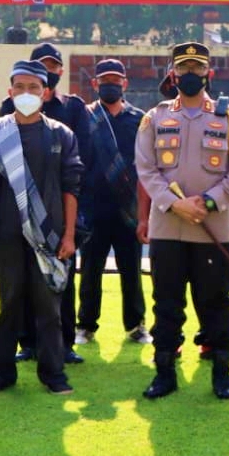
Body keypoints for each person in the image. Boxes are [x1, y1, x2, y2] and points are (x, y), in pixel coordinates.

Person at [135, 41, 229, 400]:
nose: (190, 75)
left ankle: (222, 373)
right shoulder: (154, 117)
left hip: (211, 227)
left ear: (209, 74)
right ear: (173, 74)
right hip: (168, 228)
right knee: (166, 303)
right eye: (183, 69)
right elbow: (146, 168)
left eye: (197, 69)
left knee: (216, 302)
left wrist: (208, 200)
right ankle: (165, 372)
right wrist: (174, 204)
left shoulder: (228, 116)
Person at [0, 59, 83, 395]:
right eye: (19, 87)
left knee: (49, 307)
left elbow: (72, 187)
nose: (26, 93)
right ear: (9, 91)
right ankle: (1, 375)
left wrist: (68, 235)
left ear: (46, 93)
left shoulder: (61, 135)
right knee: (9, 305)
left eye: (33, 88)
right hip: (6, 235)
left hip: (49, 235)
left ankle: (54, 375)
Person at [3, 42, 91, 364]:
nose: (49, 71)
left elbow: (84, 159)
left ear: (60, 72)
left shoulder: (74, 109)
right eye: (43, 65)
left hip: (59, 209)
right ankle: (28, 343)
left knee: (61, 280)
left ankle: (64, 343)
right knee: (25, 279)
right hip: (22, 210)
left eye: (54, 66)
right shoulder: (7, 107)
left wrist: (75, 215)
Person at [75, 58, 150, 346]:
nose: (110, 86)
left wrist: (144, 213)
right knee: (90, 271)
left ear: (125, 84)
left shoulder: (139, 119)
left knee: (131, 270)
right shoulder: (85, 116)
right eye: (104, 81)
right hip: (94, 208)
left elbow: (145, 166)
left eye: (115, 81)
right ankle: (86, 326)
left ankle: (136, 326)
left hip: (127, 208)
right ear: (95, 84)